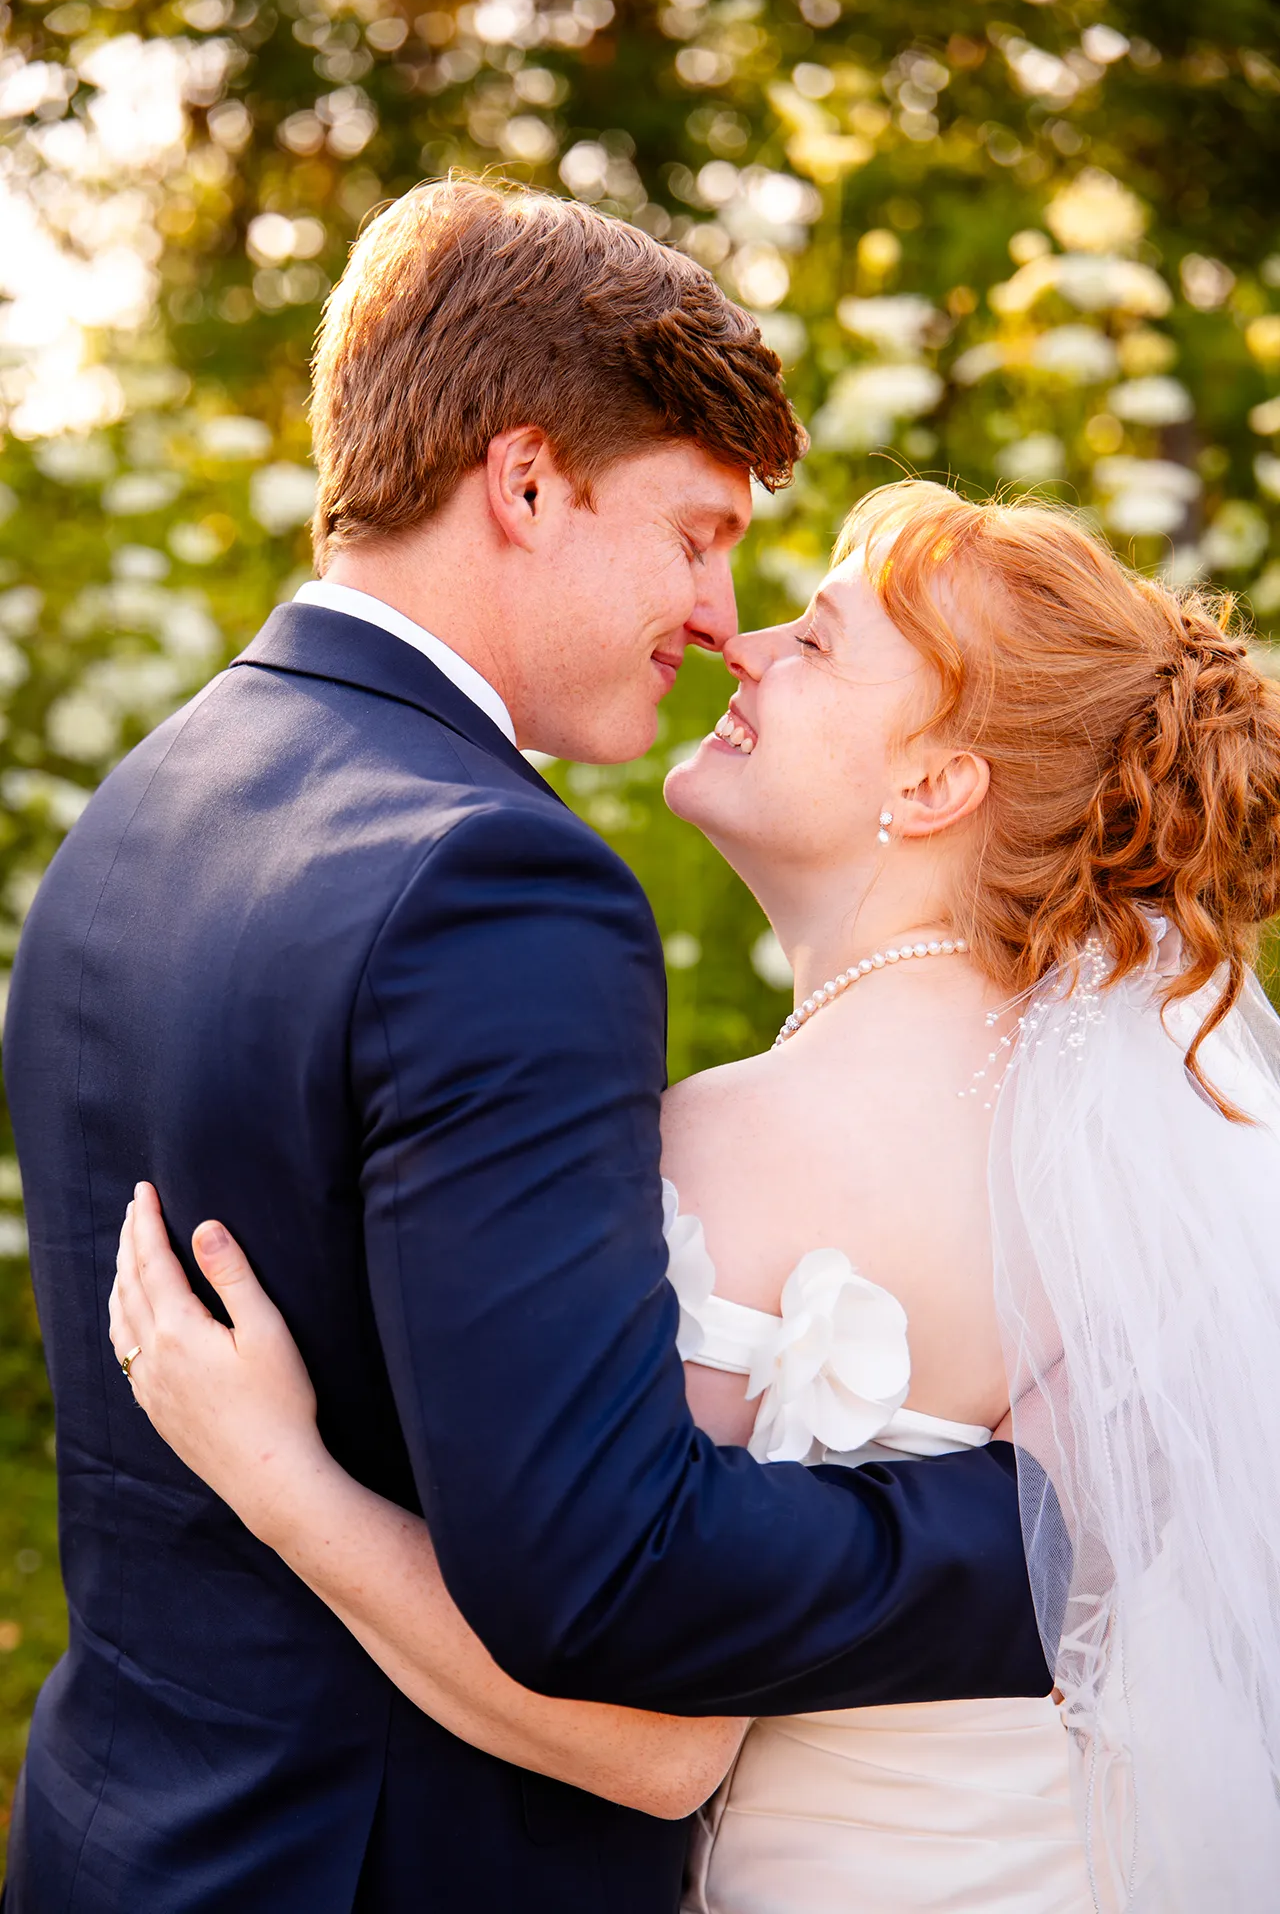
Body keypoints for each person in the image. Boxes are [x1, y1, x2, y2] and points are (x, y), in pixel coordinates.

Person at [0, 186, 1047, 1914]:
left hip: (124, 1834)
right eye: (698, 533)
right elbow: (603, 1569)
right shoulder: (495, 884)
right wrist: (1069, 1540)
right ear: (530, 480)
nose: (722, 613)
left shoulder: (143, 806)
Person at [110, 478, 1280, 1913]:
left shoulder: (742, 1143)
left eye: (822, 638)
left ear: (932, 785)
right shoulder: (1129, 1130)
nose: (751, 642)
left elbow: (655, 1747)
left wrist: (278, 1480)